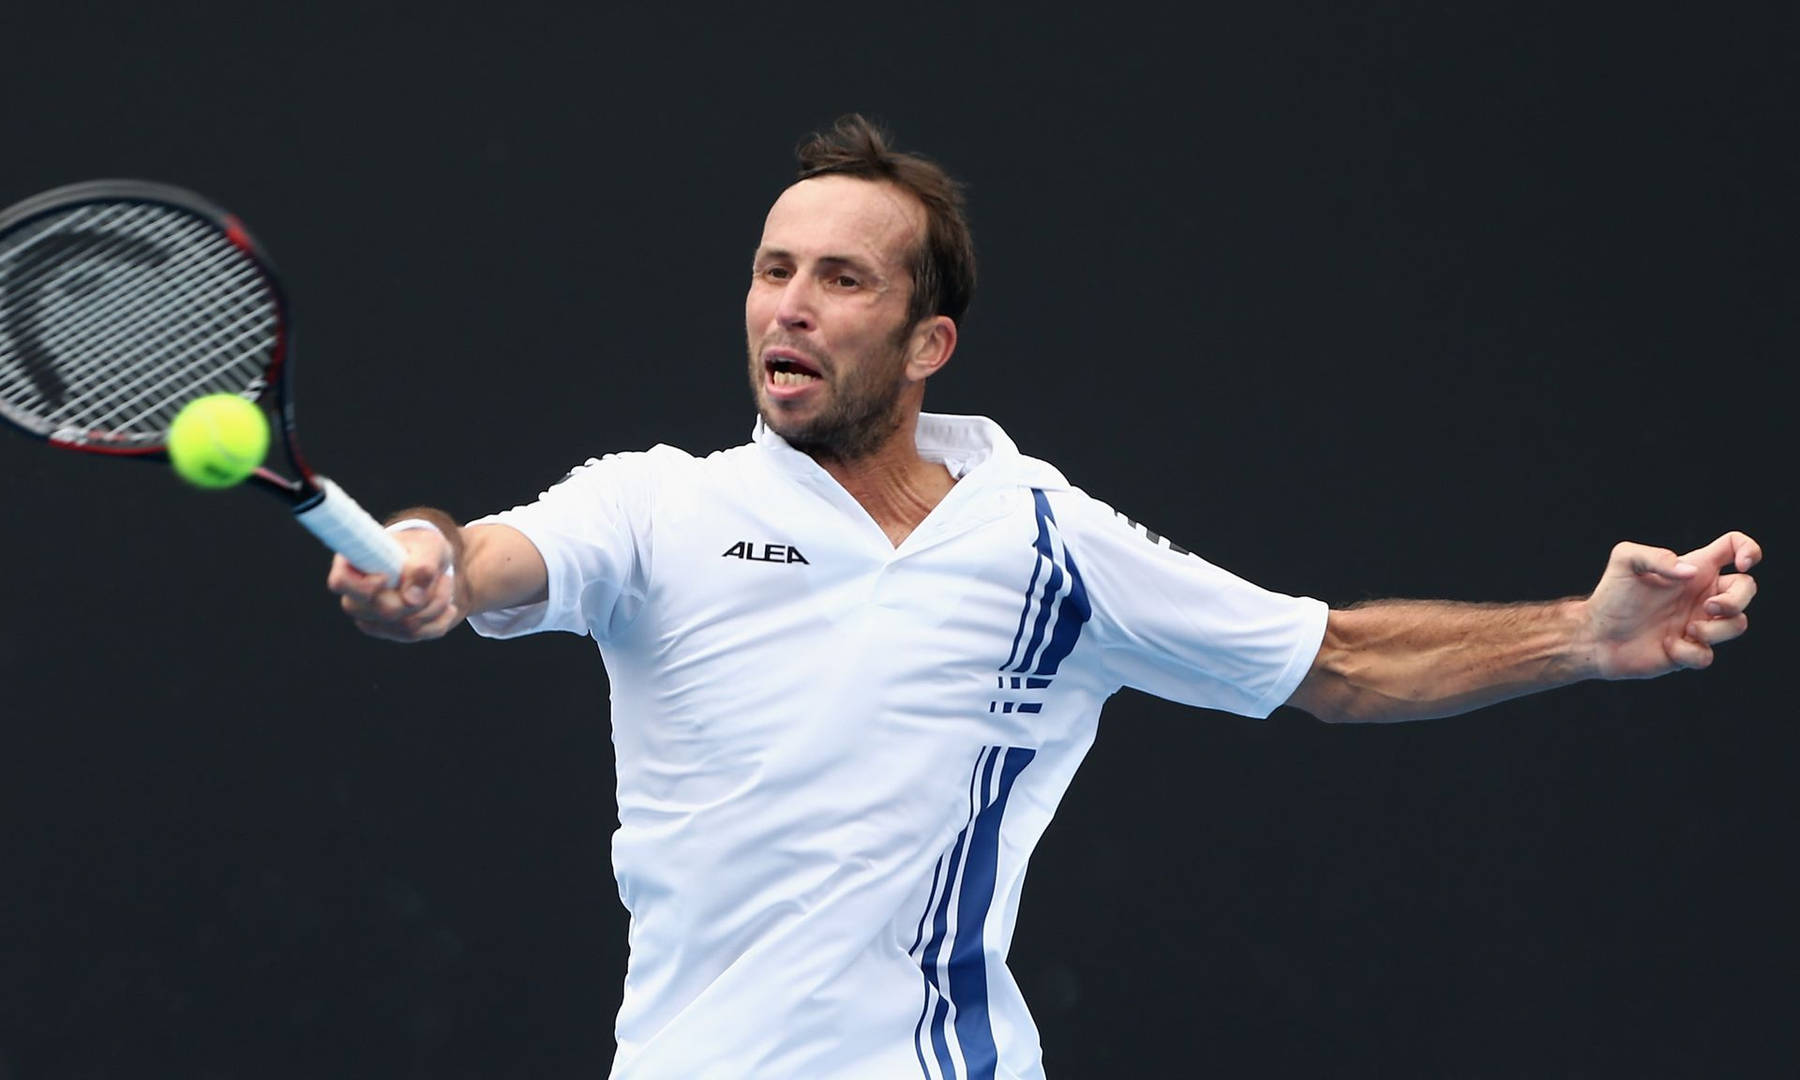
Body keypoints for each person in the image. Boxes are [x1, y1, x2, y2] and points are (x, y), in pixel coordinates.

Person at [326, 115, 1761, 1079]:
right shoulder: (656, 503)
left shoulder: (1042, 540)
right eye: (772, 272)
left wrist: (1579, 634)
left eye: (839, 278)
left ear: (927, 337)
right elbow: (493, 552)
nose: (790, 307)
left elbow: (1327, 659)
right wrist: (428, 562)